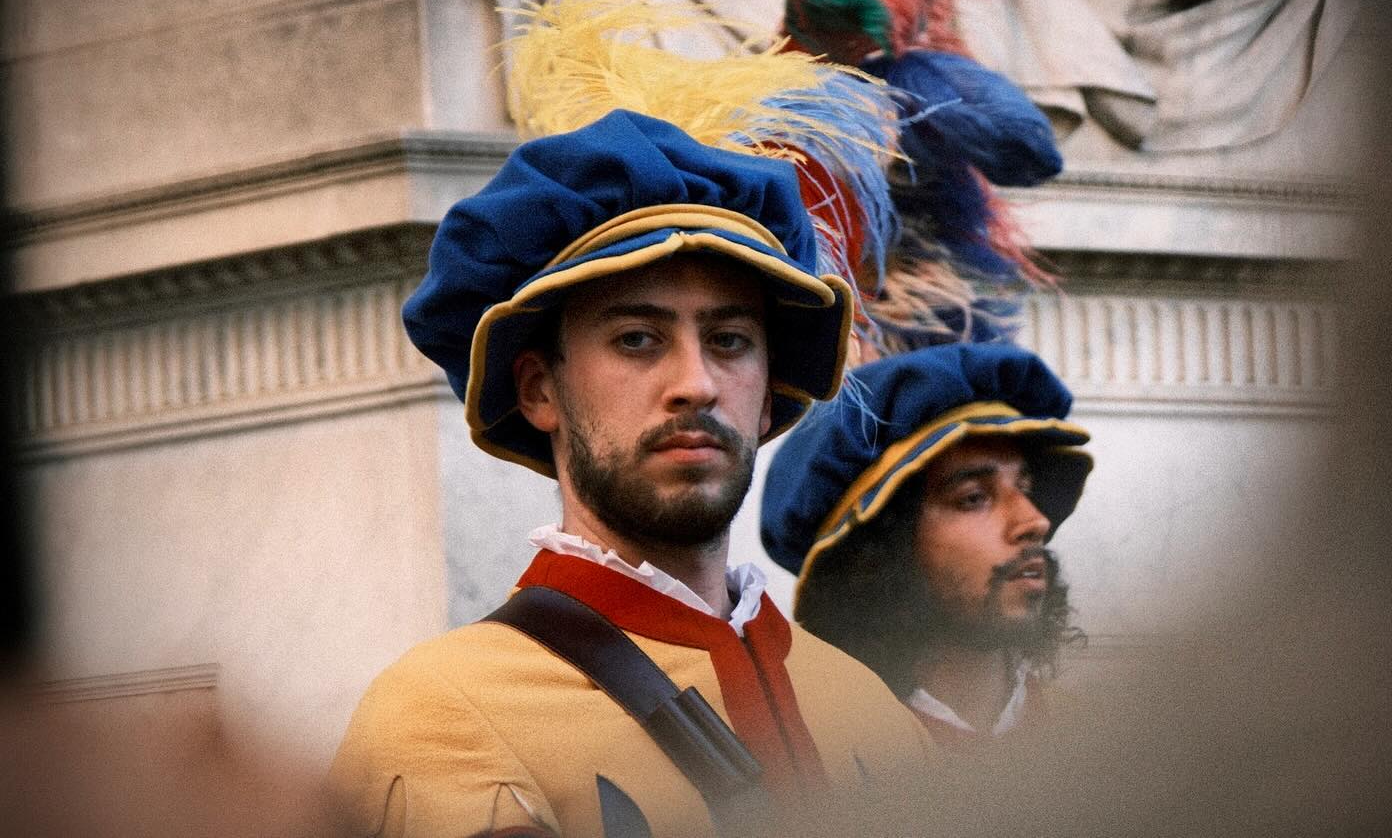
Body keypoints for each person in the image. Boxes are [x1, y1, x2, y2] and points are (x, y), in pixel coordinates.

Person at [327, 109, 930, 838]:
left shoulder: (876, 708)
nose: (697, 382)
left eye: (730, 340)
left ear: (769, 391)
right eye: (638, 338)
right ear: (539, 390)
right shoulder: (440, 714)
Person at [760, 342, 1092, 748]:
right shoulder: (816, 754)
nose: (1035, 522)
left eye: (1025, 488)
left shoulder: (1099, 742)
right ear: (879, 553)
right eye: (974, 498)